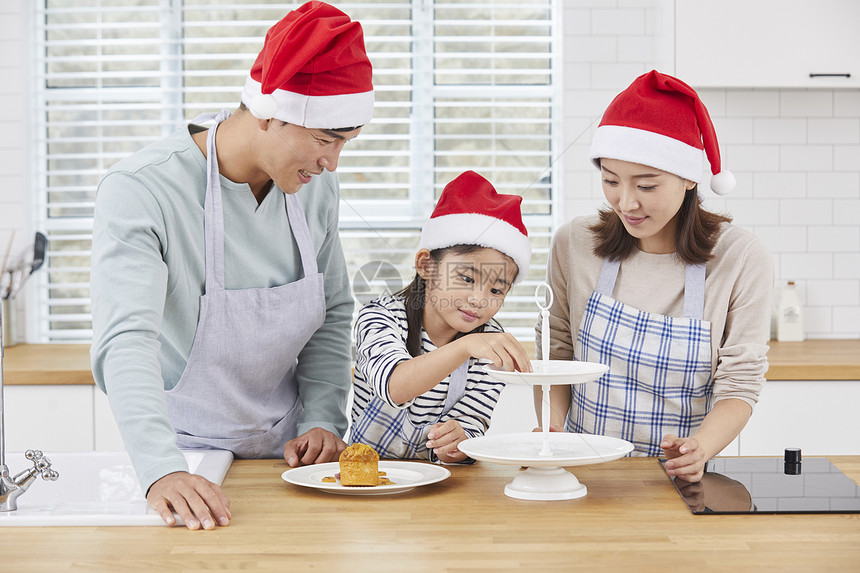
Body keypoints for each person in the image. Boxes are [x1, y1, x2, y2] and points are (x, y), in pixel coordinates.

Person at [90, 1, 373, 530]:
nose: (332, 163)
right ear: (268, 112)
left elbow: (332, 313)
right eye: (325, 139)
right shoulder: (142, 190)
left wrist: (322, 420)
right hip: (184, 466)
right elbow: (126, 340)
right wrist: (160, 470)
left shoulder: (315, 190)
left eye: (344, 144)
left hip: (292, 463)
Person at [537, 70, 773, 482]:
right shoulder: (573, 243)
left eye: (646, 185)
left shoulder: (741, 257)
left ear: (687, 178)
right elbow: (556, 352)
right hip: (579, 474)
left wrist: (700, 447)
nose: (625, 202)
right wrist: (551, 428)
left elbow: (740, 384)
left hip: (683, 481)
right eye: (610, 180)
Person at [349, 171, 533, 463]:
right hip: (369, 479)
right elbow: (394, 387)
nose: (479, 300)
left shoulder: (489, 345)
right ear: (426, 265)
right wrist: (463, 347)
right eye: (466, 278)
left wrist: (459, 442)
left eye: (497, 290)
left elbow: (473, 424)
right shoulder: (380, 316)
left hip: (443, 488)